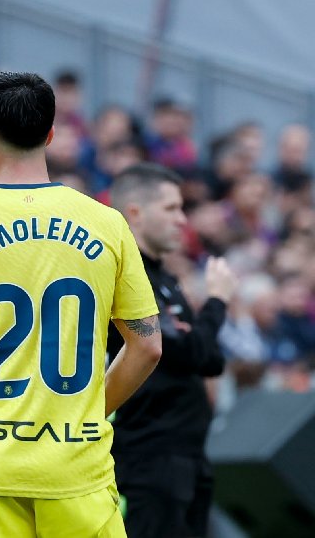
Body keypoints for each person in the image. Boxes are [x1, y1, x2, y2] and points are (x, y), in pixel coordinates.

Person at [0, 71, 162, 537]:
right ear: (51, 135)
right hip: (77, 465)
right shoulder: (108, 224)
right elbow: (147, 347)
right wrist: (89, 412)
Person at [108, 163, 236, 538]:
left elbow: (210, 359)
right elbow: (190, 351)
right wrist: (216, 302)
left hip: (189, 455)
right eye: (171, 209)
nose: (182, 220)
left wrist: (200, 330)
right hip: (149, 456)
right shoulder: (127, 277)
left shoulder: (165, 279)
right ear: (135, 212)